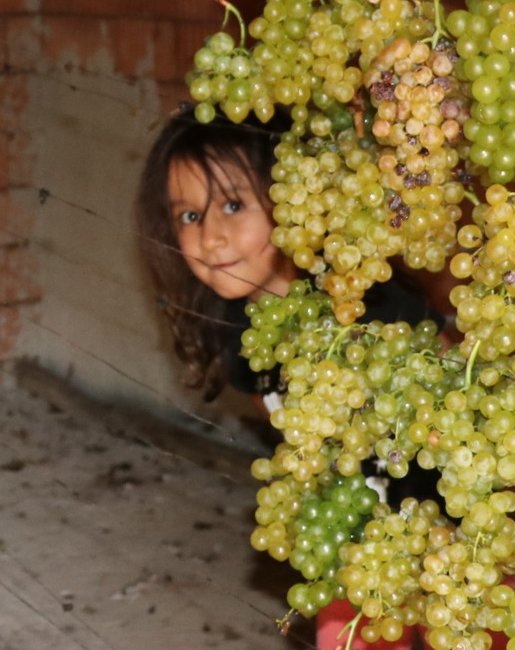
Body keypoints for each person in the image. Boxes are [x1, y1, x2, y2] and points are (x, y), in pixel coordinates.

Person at [134, 107, 439, 650]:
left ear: (297, 197)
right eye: (188, 216)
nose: (210, 238)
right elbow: (279, 427)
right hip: (351, 553)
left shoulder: (376, 308)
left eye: (233, 205)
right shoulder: (240, 332)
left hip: (446, 541)